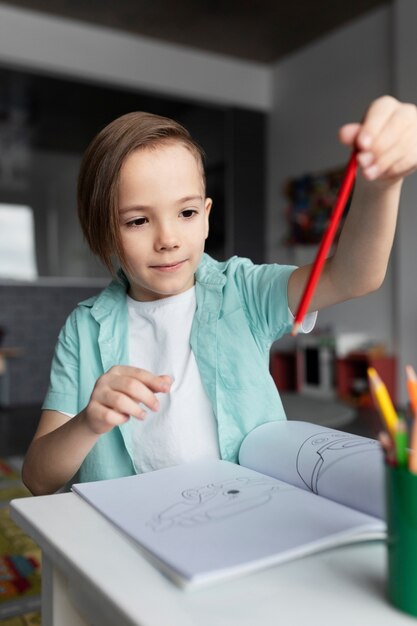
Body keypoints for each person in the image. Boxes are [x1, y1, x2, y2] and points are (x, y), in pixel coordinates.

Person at [22, 96, 417, 495]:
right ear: (105, 231)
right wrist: (90, 421)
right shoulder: (84, 328)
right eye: (138, 220)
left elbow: (354, 276)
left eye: (187, 213)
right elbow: (39, 479)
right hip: (133, 535)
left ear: (207, 215)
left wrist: (380, 186)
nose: (169, 240)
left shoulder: (242, 291)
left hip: (245, 520)